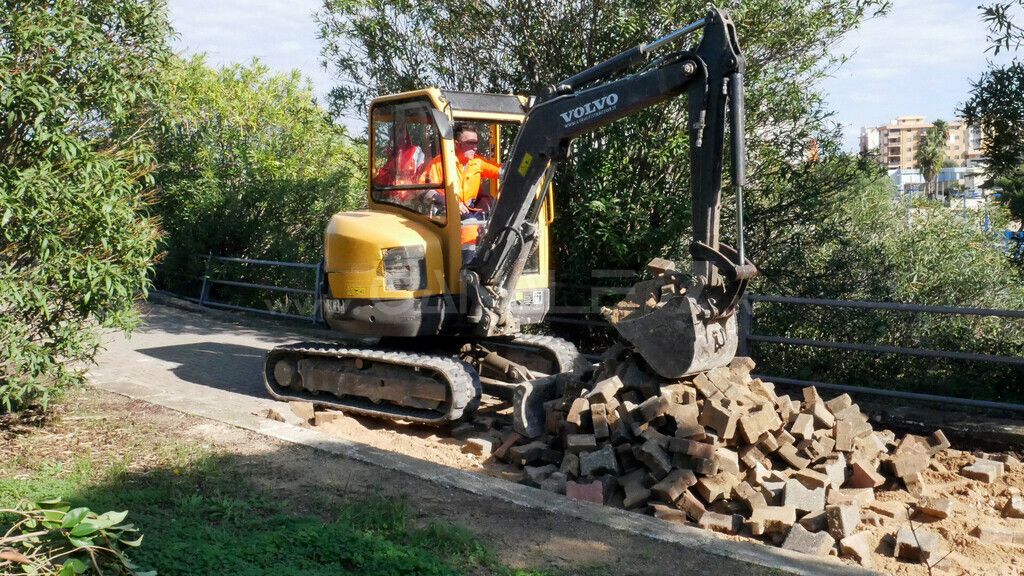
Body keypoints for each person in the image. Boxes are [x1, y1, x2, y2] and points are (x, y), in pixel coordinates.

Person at [420, 123, 502, 263]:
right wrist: (449, 202)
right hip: (445, 212)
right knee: (470, 225)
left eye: (476, 143)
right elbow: (423, 190)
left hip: (470, 210)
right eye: (470, 143)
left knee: (497, 221)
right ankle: (466, 265)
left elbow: (501, 171)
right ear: (456, 144)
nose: (475, 147)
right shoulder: (439, 164)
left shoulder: (477, 162)